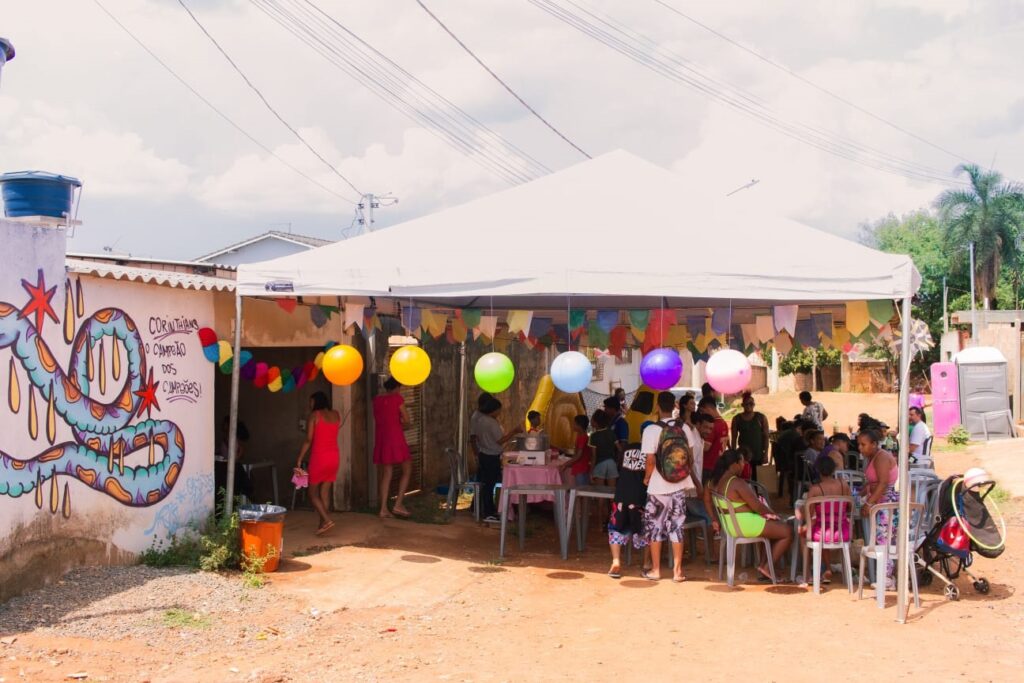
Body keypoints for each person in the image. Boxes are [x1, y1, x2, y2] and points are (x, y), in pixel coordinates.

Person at [704, 449, 792, 582]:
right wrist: (773, 514)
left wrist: (714, 519)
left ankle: (763, 566)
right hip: (744, 525)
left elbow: (706, 500)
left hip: (730, 525)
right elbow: (756, 506)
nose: (743, 465)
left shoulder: (712, 482)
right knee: (787, 531)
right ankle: (767, 566)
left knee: (772, 528)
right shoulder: (736, 482)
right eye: (742, 462)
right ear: (734, 464)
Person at [641, 391, 698, 582]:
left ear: (657, 407)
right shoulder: (685, 428)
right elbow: (690, 456)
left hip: (657, 487)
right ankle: (678, 572)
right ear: (674, 406)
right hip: (679, 485)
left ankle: (656, 570)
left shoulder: (651, 430)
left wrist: (647, 478)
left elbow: (650, 460)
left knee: (655, 527)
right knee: (677, 527)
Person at [797, 454, 852, 585]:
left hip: (822, 532)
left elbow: (808, 515)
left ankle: (808, 575)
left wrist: (800, 514)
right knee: (821, 529)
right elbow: (850, 507)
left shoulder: (815, 490)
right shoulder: (843, 485)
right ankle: (827, 569)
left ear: (818, 471)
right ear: (833, 470)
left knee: (804, 534)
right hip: (842, 532)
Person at [295, 391, 342, 535]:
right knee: (325, 493)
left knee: (312, 493)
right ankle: (322, 525)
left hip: (319, 458)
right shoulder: (336, 414)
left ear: (316, 402)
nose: (310, 404)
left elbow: (309, 440)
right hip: (334, 456)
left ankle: (327, 520)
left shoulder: (315, 416)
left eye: (311, 402)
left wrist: (299, 458)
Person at [858, 429, 899, 589]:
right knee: (882, 539)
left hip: (887, 504)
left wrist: (869, 504)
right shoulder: (873, 457)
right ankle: (885, 576)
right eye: (859, 444)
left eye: (863, 444)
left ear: (874, 444)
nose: (860, 448)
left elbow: (882, 483)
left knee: (884, 540)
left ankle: (886, 578)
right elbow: (873, 482)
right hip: (881, 503)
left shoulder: (881, 457)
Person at [607, 438, 649, 579]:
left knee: (615, 529)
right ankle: (646, 564)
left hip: (621, 496)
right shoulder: (650, 452)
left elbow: (620, 469)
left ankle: (616, 561)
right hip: (639, 497)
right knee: (646, 530)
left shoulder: (626, 450)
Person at [373, 377, 413, 519]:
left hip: (382, 439)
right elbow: (407, 421)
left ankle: (383, 508)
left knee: (386, 473)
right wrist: (401, 424)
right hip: (396, 439)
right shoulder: (397, 399)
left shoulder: (377, 400)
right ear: (397, 388)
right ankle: (398, 504)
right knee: (407, 469)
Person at [472, 396, 516, 523]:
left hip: (484, 454)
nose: (499, 413)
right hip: (491, 456)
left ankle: (488, 510)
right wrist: (514, 431)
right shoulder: (491, 422)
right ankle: (488, 512)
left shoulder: (480, 420)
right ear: (493, 409)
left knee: (488, 484)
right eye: (498, 410)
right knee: (489, 485)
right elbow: (500, 440)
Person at [731, 392, 770, 483]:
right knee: (743, 479)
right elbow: (734, 438)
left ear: (754, 405)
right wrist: (733, 454)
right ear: (742, 405)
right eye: (746, 403)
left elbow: (766, 437)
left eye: (751, 403)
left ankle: (756, 496)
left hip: (757, 454)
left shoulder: (761, 418)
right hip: (742, 456)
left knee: (757, 480)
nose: (749, 405)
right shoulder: (737, 419)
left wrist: (765, 454)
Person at [215, 416, 252, 503]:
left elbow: (238, 453)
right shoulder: (227, 439)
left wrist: (234, 459)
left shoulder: (233, 439)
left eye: (225, 424)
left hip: (231, 467)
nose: (222, 426)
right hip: (228, 465)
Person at [774, 419, 808, 504]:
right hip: (789, 463)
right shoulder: (796, 436)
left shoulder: (788, 433)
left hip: (782, 461)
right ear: (799, 428)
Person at [698, 396, 729, 484]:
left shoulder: (712, 425)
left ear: (708, 408)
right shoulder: (723, 423)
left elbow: (706, 447)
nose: (702, 414)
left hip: (708, 466)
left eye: (702, 411)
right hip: (718, 465)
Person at [562, 414, 592, 486]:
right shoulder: (584, 436)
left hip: (581, 469)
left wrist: (565, 464)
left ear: (579, 425)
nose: (573, 425)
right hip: (583, 467)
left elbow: (579, 455)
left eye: (574, 424)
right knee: (584, 491)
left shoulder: (582, 438)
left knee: (581, 491)